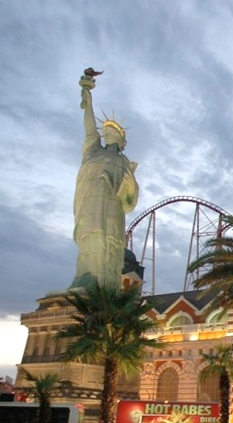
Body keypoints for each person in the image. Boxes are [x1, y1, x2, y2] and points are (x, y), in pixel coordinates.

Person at [70, 70, 139, 289]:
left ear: (122, 141)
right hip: (87, 205)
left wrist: (131, 185)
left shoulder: (123, 161)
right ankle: (84, 279)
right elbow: (90, 127)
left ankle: (104, 285)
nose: (108, 132)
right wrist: (88, 101)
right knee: (88, 239)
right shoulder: (93, 150)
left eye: (115, 131)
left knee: (105, 241)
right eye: (106, 130)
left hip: (110, 210)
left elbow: (128, 203)